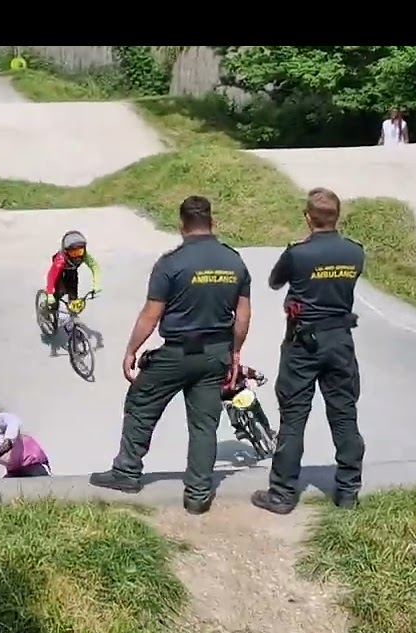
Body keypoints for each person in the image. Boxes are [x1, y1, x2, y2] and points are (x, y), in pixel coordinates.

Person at [89, 195, 251, 515]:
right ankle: (198, 495)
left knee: (141, 401)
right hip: (215, 354)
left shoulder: (171, 263)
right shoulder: (234, 261)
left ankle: (127, 472)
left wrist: (132, 350)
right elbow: (243, 315)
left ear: (181, 225)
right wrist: (235, 353)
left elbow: (151, 314)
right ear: (212, 222)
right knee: (204, 425)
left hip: (177, 353)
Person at [252, 187, 366, 515]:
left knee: (293, 417)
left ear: (307, 218)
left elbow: (275, 282)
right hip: (340, 340)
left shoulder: (297, 253)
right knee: (344, 414)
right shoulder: (355, 252)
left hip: (303, 344)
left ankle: (283, 494)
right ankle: (348, 491)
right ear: (338, 217)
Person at [43, 230, 103, 351]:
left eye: (80, 251)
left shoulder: (85, 256)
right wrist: (49, 294)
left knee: (73, 299)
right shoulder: (60, 259)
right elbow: (51, 276)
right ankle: (46, 309)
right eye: (73, 252)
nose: (77, 256)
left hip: (71, 272)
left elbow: (95, 267)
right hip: (59, 273)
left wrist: (97, 284)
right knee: (58, 294)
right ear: (66, 251)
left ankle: (72, 324)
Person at [220, 363, 274, 438]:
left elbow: (248, 371)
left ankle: (268, 429)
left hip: (244, 393)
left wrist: (258, 375)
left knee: (257, 408)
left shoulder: (237, 369)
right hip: (229, 399)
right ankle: (239, 429)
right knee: (230, 409)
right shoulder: (216, 378)